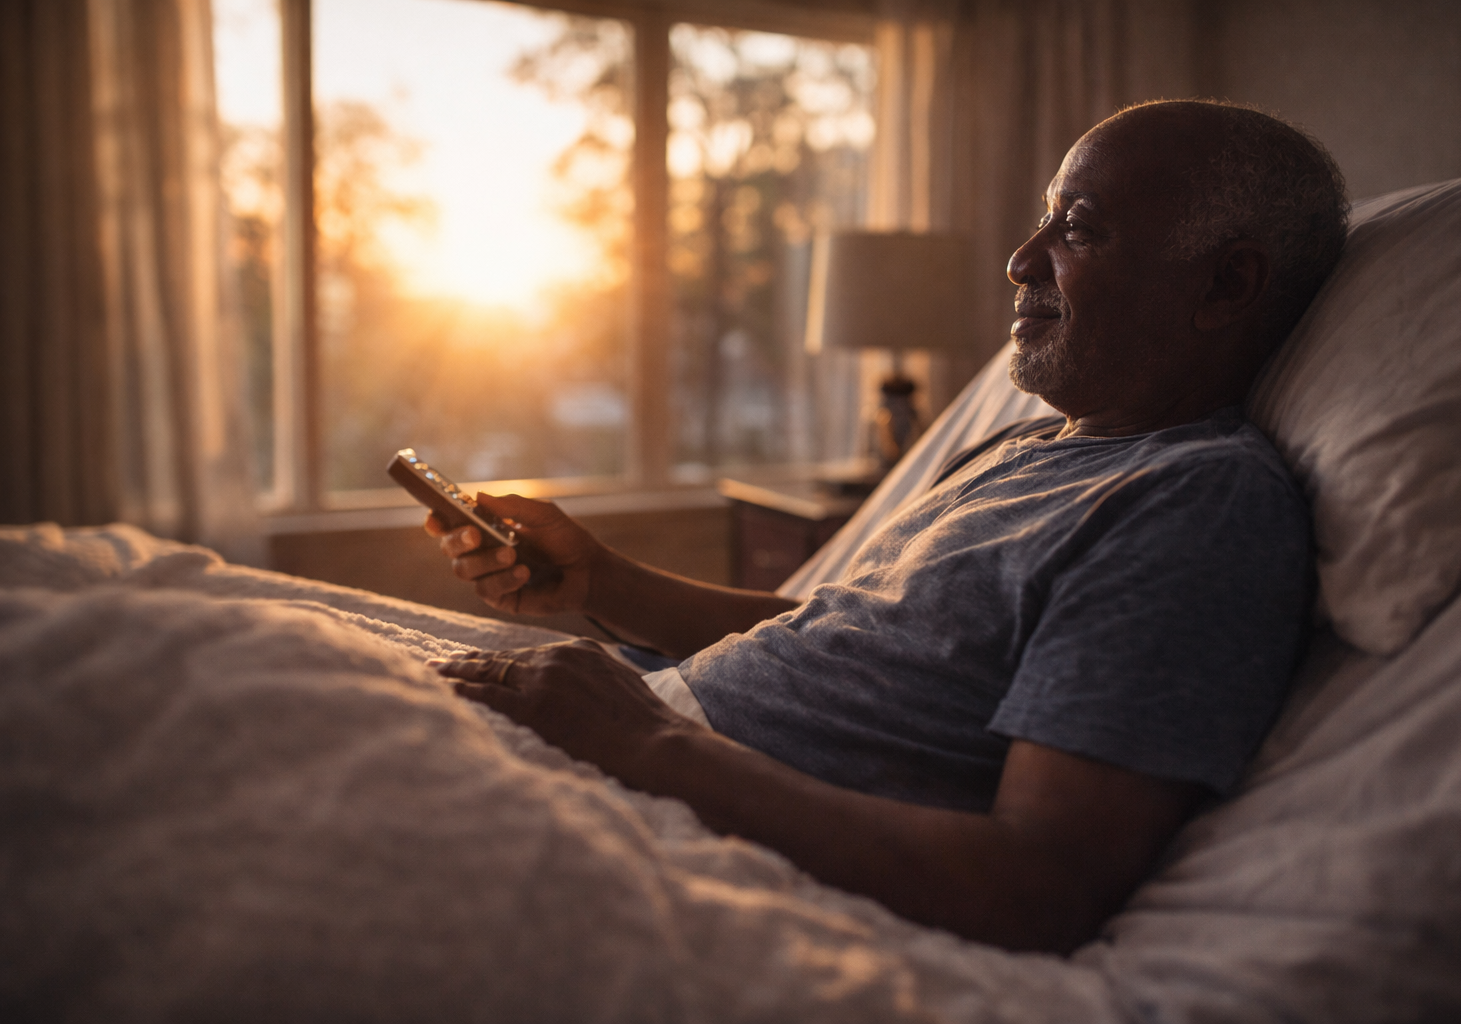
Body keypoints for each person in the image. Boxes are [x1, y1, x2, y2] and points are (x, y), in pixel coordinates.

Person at [425, 100, 1348, 953]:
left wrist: (641, 743)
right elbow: (842, 633)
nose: (1021, 261)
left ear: (1227, 284)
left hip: (660, 807)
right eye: (1043, 218)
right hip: (634, 741)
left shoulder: (1195, 504)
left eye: (1077, 228)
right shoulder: (1025, 448)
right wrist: (604, 581)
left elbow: (1040, 885)